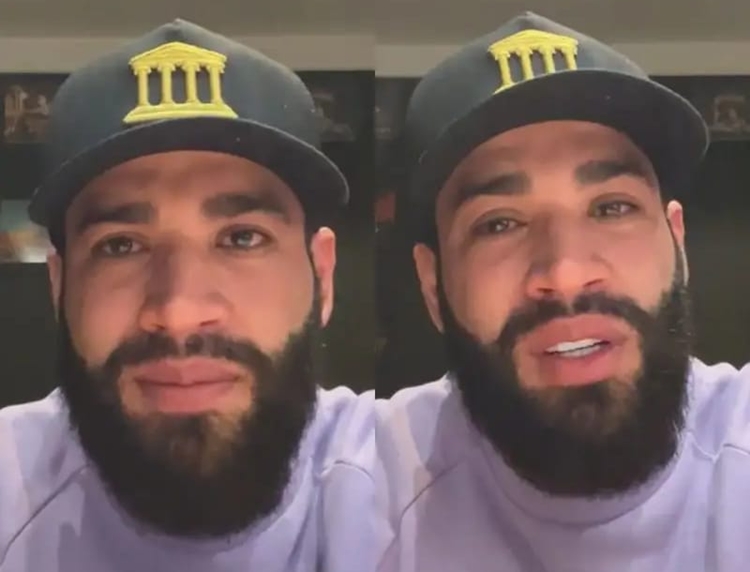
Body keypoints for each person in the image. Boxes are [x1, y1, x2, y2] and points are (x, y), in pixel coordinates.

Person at [375, 11, 750, 571]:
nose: (567, 272)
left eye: (612, 207)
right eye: (499, 223)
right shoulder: (370, 488)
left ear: (678, 242)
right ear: (433, 286)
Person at [0, 19, 374, 572]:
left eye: (242, 238)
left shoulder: (402, 481)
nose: (178, 312)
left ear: (322, 275)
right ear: (59, 287)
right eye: (121, 245)